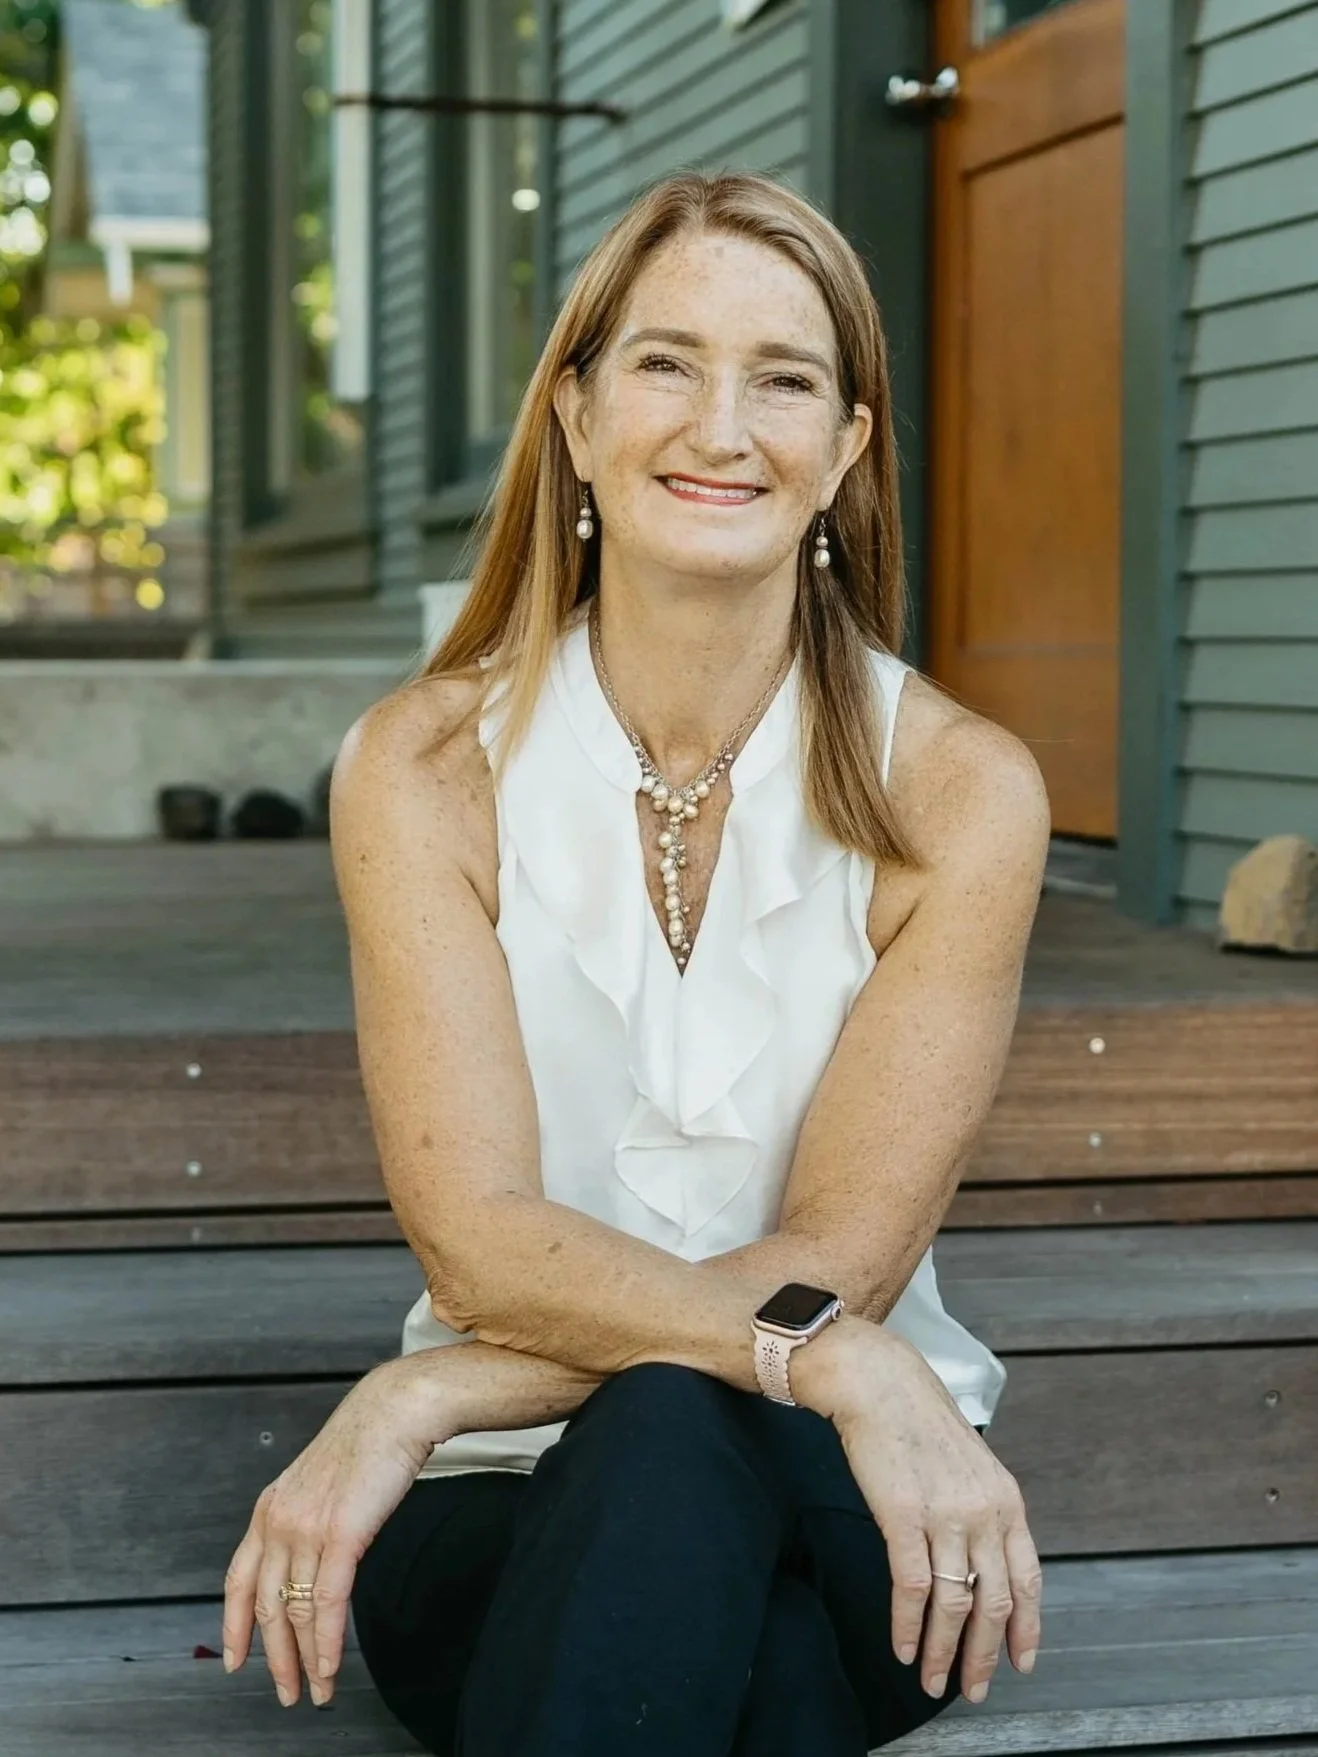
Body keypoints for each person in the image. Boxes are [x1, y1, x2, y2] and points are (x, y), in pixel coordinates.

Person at [221, 169, 1049, 1756]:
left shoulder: (958, 790)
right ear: (576, 409)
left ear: (845, 451)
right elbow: (481, 1249)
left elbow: (838, 1265)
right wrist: (850, 1369)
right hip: (500, 1520)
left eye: (784, 379)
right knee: (760, 1674)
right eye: (666, 363)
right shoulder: (424, 766)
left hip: (854, 1505)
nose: (720, 428)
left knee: (681, 1441)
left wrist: (422, 1395)